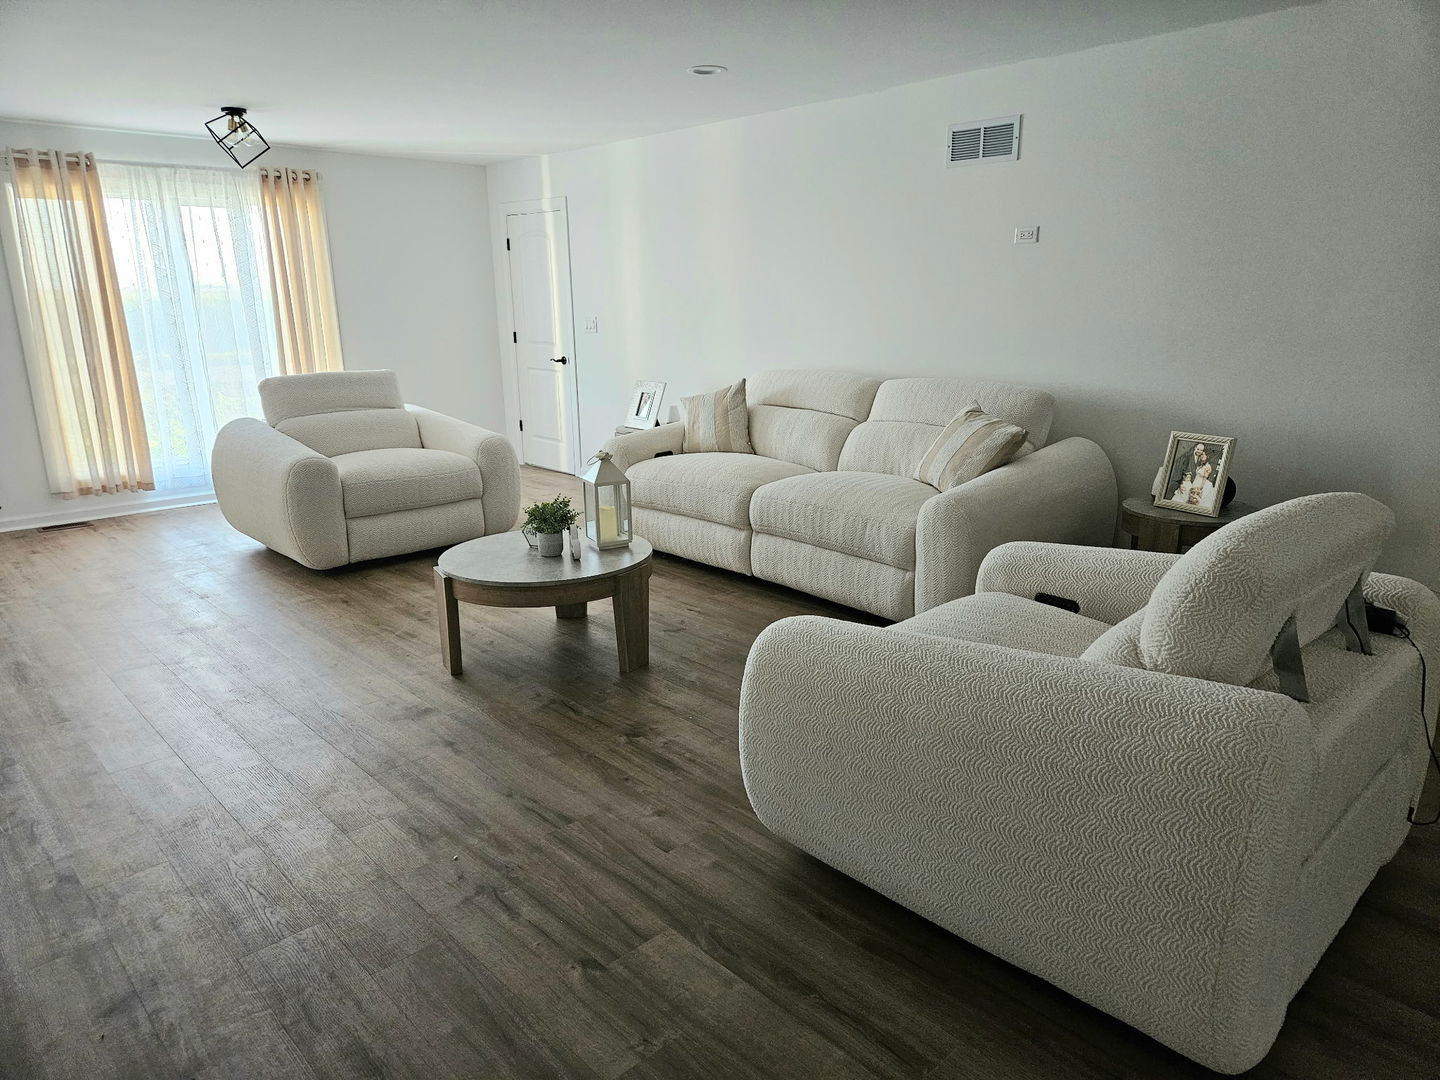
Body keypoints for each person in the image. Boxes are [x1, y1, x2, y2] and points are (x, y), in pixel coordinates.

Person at [1171, 442, 1218, 511]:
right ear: (1195, 448)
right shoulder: (1199, 464)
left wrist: (1200, 487)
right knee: (1187, 494)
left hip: (1200, 483)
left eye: (1204, 455)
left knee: (1195, 497)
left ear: (1207, 457)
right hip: (1194, 482)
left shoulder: (1207, 467)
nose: (1202, 456)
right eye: (1202, 455)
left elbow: (1205, 478)